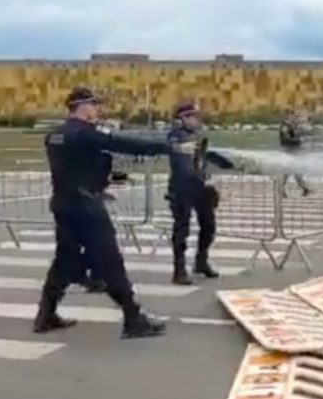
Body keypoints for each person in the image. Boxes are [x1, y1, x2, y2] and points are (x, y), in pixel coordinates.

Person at [35, 87, 173, 339]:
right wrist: (165, 147)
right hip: (86, 207)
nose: (98, 109)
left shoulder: (55, 134)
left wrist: (98, 185)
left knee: (64, 261)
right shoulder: (85, 133)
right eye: (94, 105)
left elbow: (75, 167)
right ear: (81, 106)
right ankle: (134, 319)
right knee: (109, 261)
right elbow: (121, 143)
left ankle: (45, 315)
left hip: (64, 202)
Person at [166, 101, 233, 285]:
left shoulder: (197, 135)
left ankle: (201, 262)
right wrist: (200, 179)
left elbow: (206, 155)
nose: (198, 120)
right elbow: (183, 164)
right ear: (183, 118)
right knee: (182, 229)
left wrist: (228, 163)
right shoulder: (175, 137)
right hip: (182, 189)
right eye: (194, 116)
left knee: (209, 225)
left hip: (199, 188)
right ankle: (179, 270)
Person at [279, 111, 311, 196]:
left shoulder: (291, 126)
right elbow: (286, 139)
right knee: (288, 172)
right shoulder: (285, 126)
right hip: (289, 152)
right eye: (292, 116)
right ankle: (281, 189)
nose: (294, 118)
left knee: (296, 171)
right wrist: (298, 141)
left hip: (294, 152)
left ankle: (305, 188)